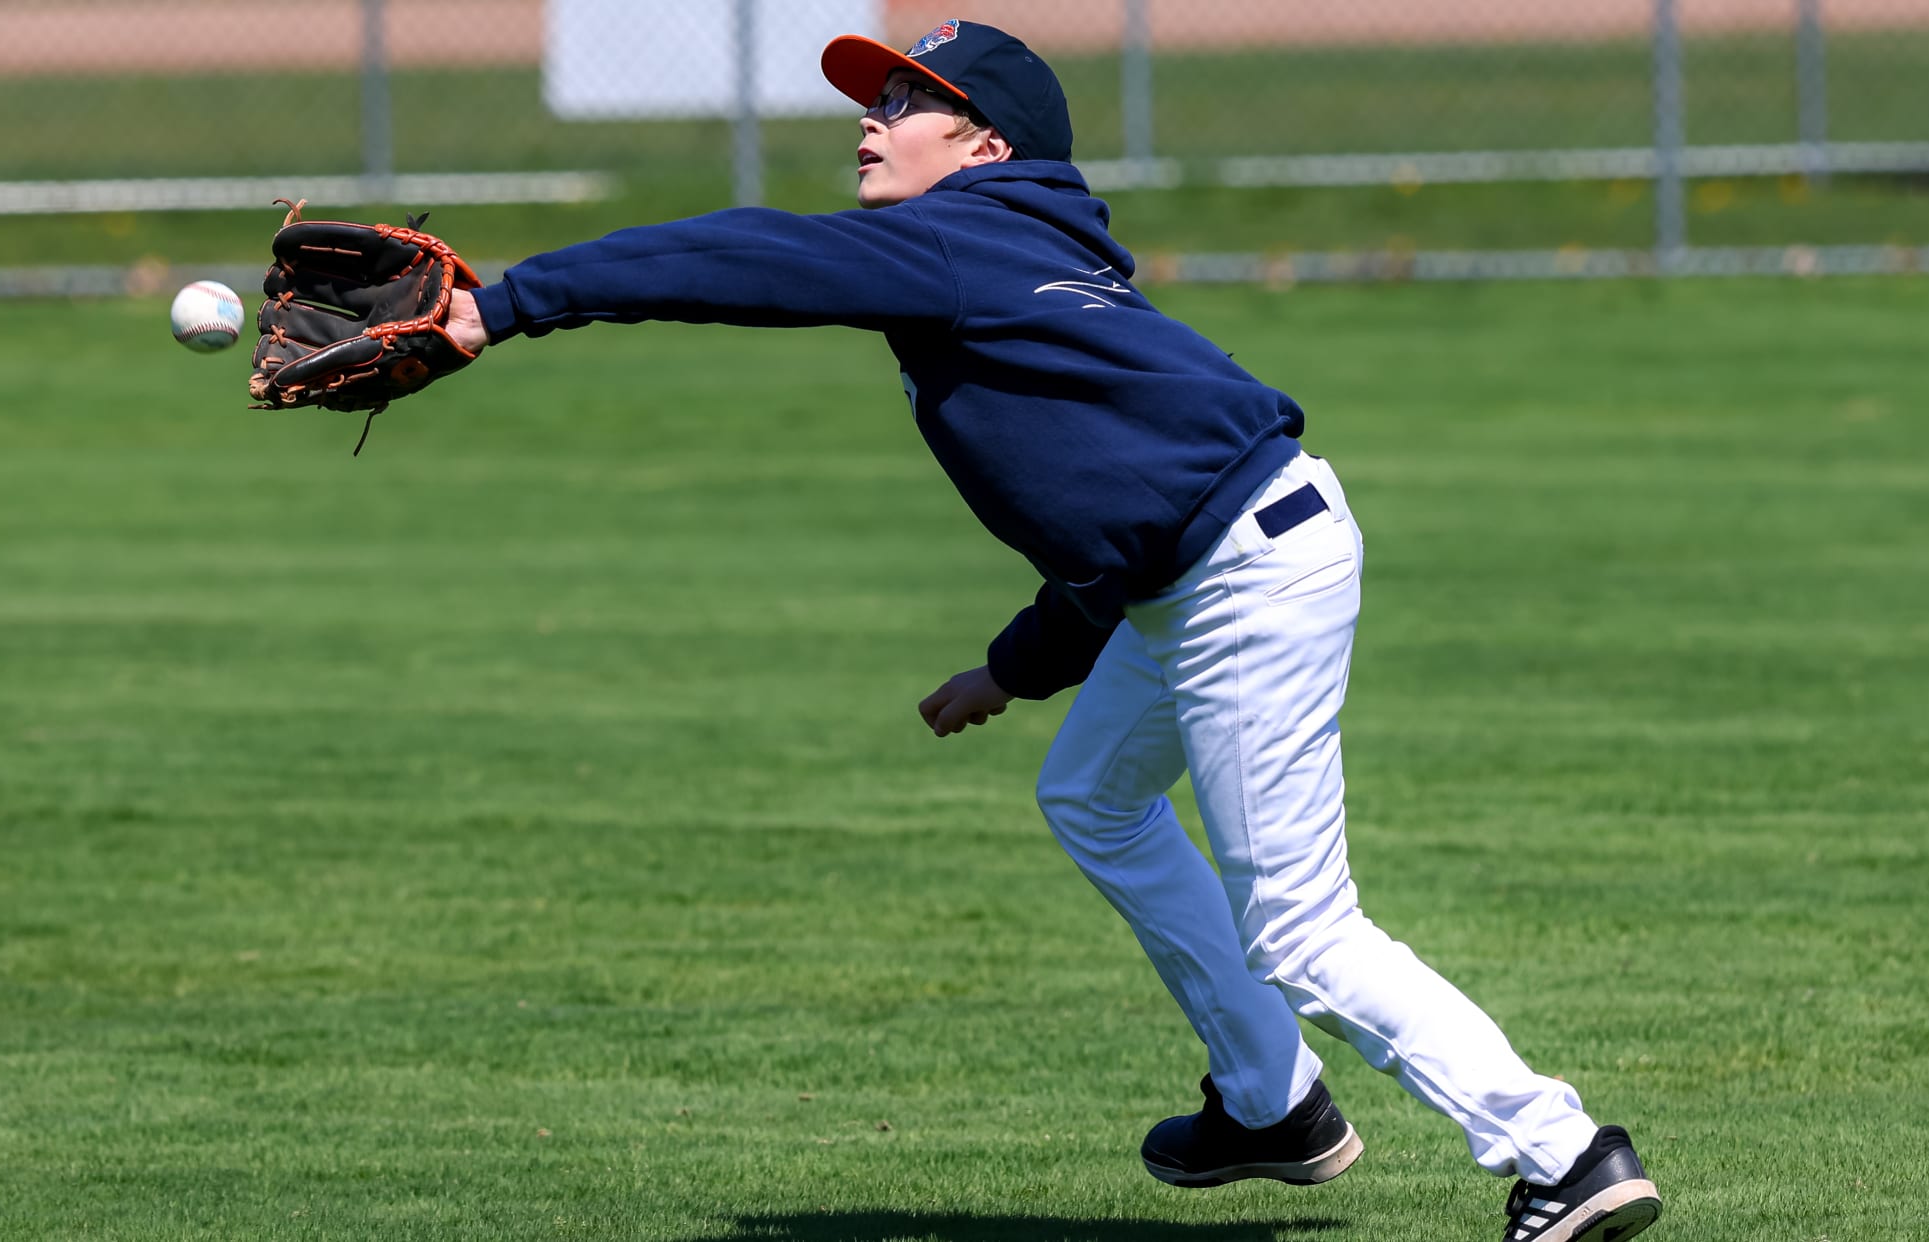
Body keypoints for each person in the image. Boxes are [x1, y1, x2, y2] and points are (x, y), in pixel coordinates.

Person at [442, 19, 1661, 1242]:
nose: (870, 122)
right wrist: (1012, 670)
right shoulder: (1014, 244)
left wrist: (512, 303)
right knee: (1094, 793)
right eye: (873, 100)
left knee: (1303, 927)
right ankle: (1270, 1103)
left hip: (1240, 576)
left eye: (907, 102)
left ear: (983, 142)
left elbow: (749, 258)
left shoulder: (956, 241)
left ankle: (1562, 1152)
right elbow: (1112, 524)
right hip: (1212, 557)